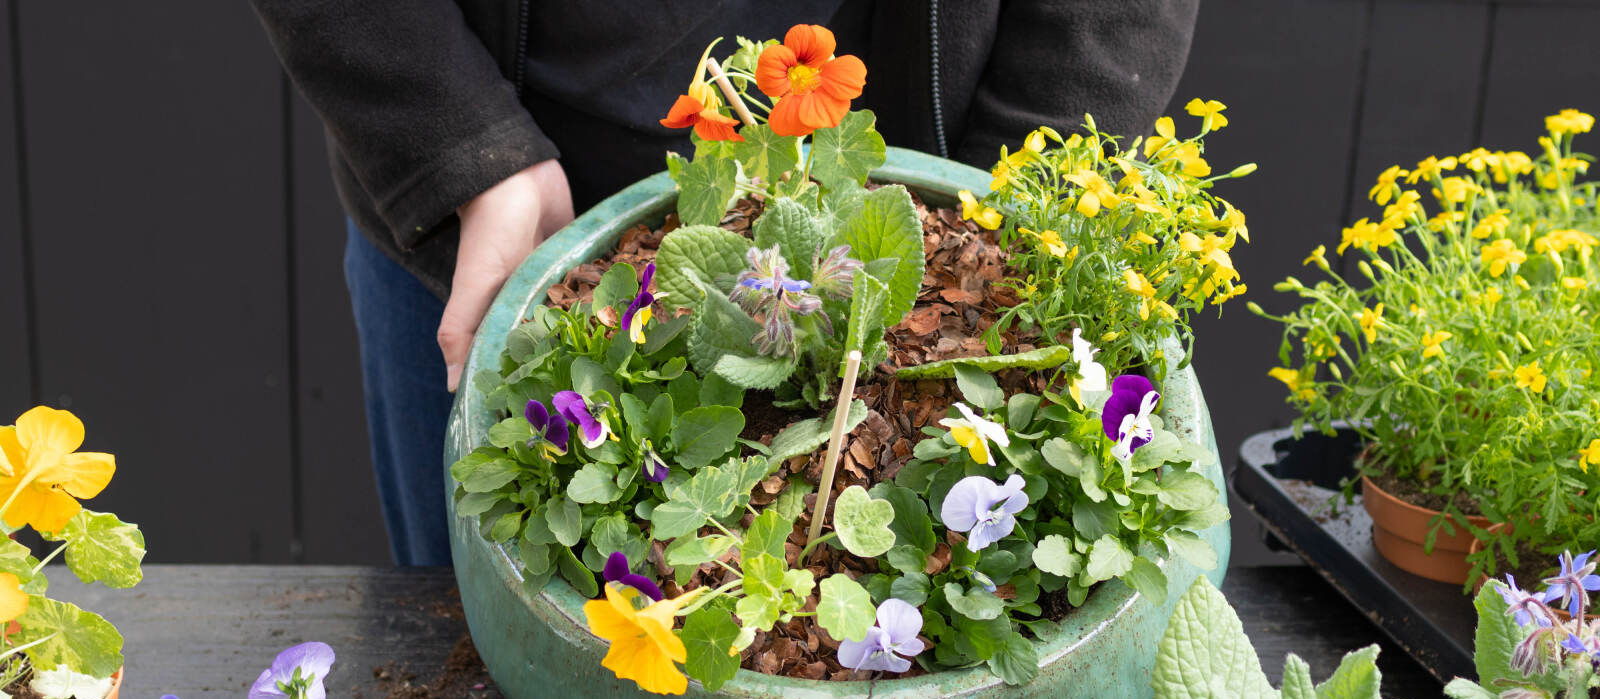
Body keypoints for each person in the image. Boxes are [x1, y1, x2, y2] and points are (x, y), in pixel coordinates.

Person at [249, 0, 1200, 567]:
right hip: (498, 224)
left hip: (933, 201)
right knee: (493, 686)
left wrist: (1004, 204)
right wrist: (460, 147)